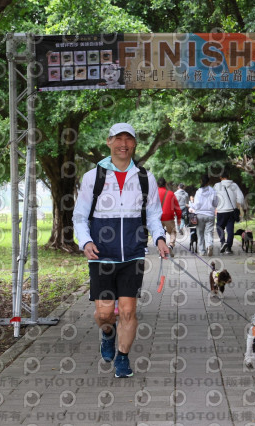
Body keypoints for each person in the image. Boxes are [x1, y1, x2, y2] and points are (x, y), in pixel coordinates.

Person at [73, 122, 170, 378]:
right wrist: (85, 242)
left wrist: (160, 238)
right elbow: (80, 216)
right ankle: (108, 334)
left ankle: (123, 358)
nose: (123, 144)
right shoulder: (92, 178)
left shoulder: (145, 177)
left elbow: (153, 214)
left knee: (128, 310)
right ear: (109, 142)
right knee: (105, 314)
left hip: (133, 252)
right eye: (118, 139)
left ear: (134, 144)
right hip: (101, 254)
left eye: (128, 139)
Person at [213, 169, 244, 254]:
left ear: (220, 177)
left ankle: (223, 242)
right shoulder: (234, 185)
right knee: (230, 230)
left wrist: (215, 206)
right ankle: (229, 248)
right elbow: (241, 198)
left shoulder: (217, 185)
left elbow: (213, 198)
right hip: (231, 211)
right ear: (229, 176)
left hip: (221, 211)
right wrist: (238, 205)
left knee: (219, 227)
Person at [191, 175, 217, 256]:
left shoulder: (199, 191)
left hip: (200, 215)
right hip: (210, 215)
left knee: (200, 233)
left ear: (201, 181)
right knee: (209, 232)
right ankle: (209, 245)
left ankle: (202, 251)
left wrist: (192, 205)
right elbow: (215, 203)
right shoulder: (213, 191)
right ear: (209, 182)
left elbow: (197, 205)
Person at [157, 177, 182, 257]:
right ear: (165, 184)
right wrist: (179, 219)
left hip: (158, 218)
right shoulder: (171, 194)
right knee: (172, 232)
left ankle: (161, 251)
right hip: (169, 217)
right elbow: (177, 208)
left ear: (157, 185)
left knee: (159, 234)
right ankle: (170, 246)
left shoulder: (154, 194)